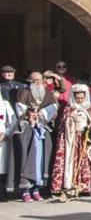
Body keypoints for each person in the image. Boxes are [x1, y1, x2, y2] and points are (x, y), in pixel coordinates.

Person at [50, 84, 91, 199]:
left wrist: (90, 129)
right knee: (72, 162)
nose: (80, 100)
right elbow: (62, 126)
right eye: (77, 98)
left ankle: (87, 186)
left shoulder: (90, 108)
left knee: (86, 162)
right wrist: (70, 119)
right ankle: (71, 185)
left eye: (81, 98)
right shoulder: (68, 109)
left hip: (87, 139)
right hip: (72, 140)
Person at [11, 72, 60, 201]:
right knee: (26, 159)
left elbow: (54, 107)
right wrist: (31, 115)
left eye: (40, 80)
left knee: (41, 160)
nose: (38, 82)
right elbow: (20, 109)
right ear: (29, 80)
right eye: (35, 80)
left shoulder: (47, 93)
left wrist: (42, 113)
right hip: (27, 130)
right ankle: (26, 190)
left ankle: (37, 189)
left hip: (42, 129)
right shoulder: (24, 92)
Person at [0, 89, 16, 200]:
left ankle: (2, 193)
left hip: (3, 140)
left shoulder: (5, 105)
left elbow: (13, 121)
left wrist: (6, 133)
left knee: (2, 168)